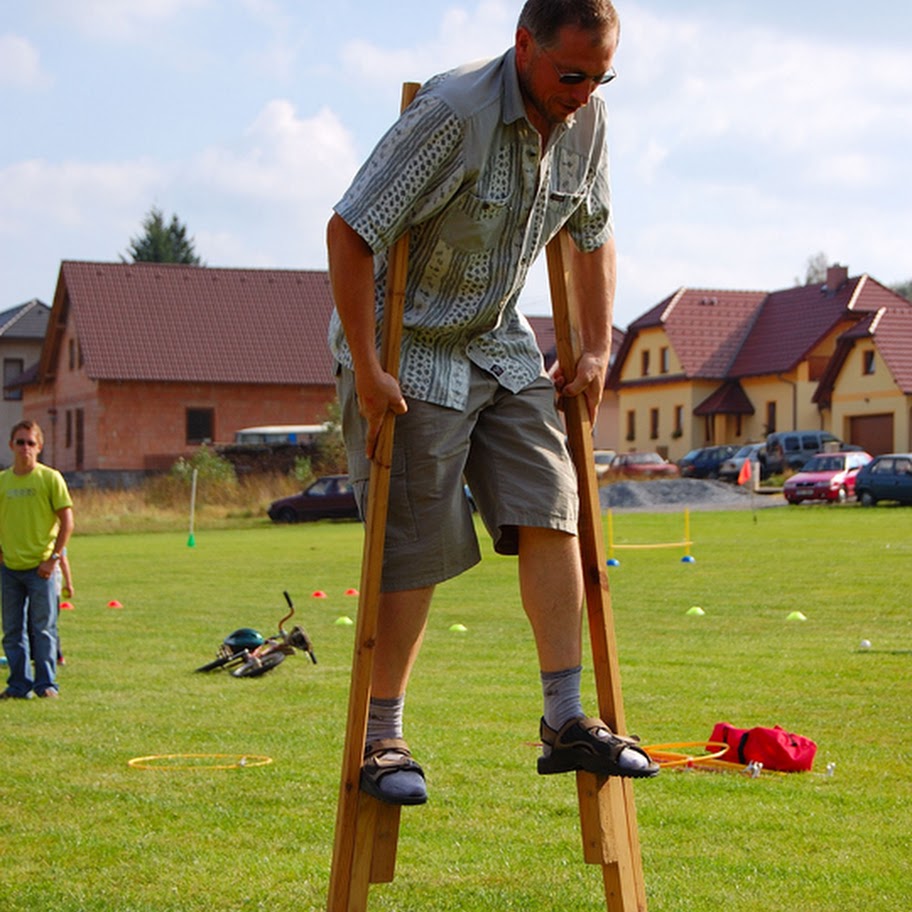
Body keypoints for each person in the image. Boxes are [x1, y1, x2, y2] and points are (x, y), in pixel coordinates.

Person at [327, 0, 658, 805]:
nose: (583, 91)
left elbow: (592, 229)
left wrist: (596, 344)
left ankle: (565, 719)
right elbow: (350, 231)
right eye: (570, 74)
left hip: (499, 341)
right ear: (524, 47)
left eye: (599, 75)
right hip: (410, 345)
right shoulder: (453, 113)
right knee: (417, 537)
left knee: (554, 503)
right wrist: (369, 368)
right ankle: (383, 736)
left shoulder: (588, 120)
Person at [0, 420, 74, 699]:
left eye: (31, 443)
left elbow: (67, 521)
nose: (25, 448)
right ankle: (19, 684)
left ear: (39, 447)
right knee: (12, 631)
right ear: (11, 446)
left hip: (41, 568)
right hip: (10, 569)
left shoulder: (50, 478)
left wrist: (53, 559)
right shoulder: (3, 482)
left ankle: (46, 684)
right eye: (20, 442)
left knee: (42, 629)